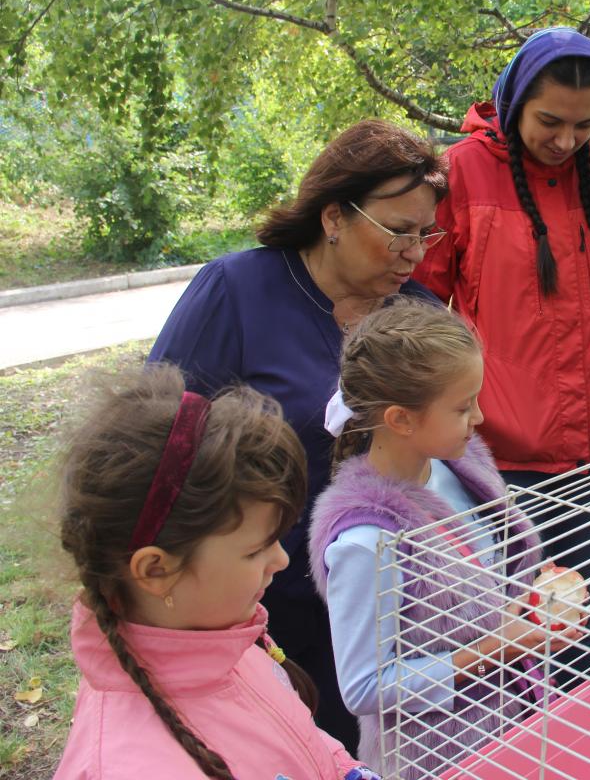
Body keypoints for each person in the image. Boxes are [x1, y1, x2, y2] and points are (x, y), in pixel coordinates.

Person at [148, 120, 448, 747]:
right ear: (334, 216)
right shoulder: (236, 290)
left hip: (377, 599)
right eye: (397, 230)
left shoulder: (417, 312)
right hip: (259, 601)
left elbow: (441, 445)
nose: (415, 252)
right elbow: (161, 441)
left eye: (426, 233)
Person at [413, 27, 590, 682]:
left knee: (576, 619)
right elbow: (419, 305)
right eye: (550, 120)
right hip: (501, 458)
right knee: (502, 631)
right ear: (515, 98)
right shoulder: (461, 171)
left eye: (584, 124)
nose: (566, 140)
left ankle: (574, 740)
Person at [54, 365, 379, 780]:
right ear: (156, 570)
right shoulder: (132, 767)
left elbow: (300, 740)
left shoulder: (224, 639)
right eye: (257, 550)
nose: (281, 561)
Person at [308, 301, 579, 778]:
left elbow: (486, 583)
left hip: (508, 728)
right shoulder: (366, 539)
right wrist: (493, 650)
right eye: (461, 406)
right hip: (436, 757)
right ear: (401, 419)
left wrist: (533, 600)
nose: (479, 416)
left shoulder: (460, 463)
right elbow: (364, 687)